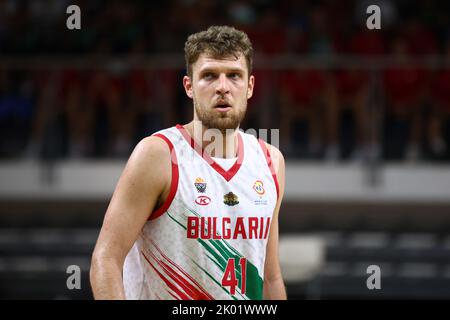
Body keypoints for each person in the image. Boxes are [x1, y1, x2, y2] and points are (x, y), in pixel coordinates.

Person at [90, 25, 287, 300]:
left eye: (234, 76)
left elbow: (271, 278)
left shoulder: (270, 161)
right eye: (209, 76)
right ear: (189, 86)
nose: (222, 87)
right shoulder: (157, 155)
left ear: (250, 86)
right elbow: (106, 259)